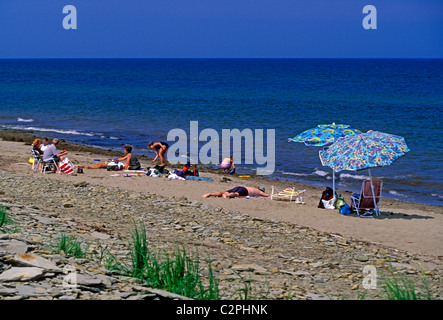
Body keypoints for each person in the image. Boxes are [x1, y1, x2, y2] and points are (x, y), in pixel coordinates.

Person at [202, 186, 270, 198]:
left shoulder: (253, 188)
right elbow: (267, 195)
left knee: (224, 192)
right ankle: (227, 196)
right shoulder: (260, 192)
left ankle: (210, 194)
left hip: (240, 187)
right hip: (244, 190)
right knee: (236, 194)